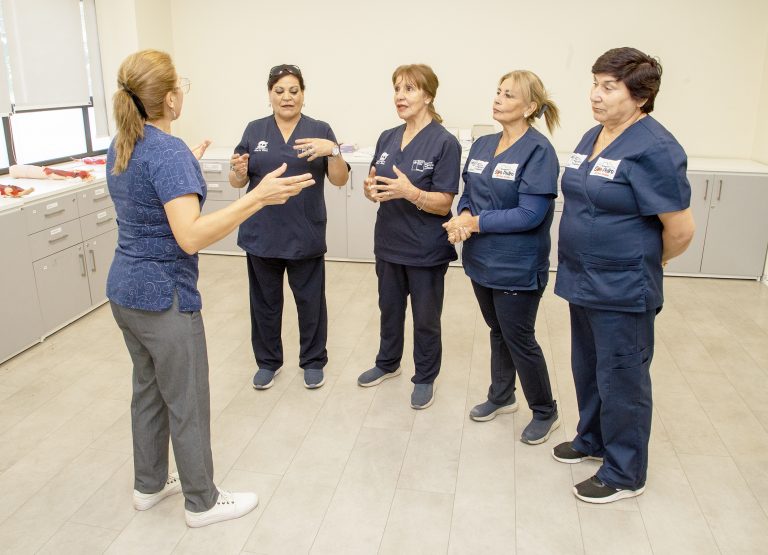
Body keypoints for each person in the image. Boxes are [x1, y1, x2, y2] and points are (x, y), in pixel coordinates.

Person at [107, 50, 314, 527]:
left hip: (125, 291)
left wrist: (185, 168)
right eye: (182, 84)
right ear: (170, 99)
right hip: (164, 299)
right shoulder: (166, 151)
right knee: (187, 399)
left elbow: (146, 198)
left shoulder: (125, 141)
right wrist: (258, 198)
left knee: (148, 391)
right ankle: (201, 500)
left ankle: (149, 483)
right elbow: (192, 235)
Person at [552, 47, 695, 503]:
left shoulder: (655, 148)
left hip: (622, 286)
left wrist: (647, 261)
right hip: (582, 278)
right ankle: (591, 439)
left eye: (608, 87)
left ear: (640, 96)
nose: (595, 95)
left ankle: (625, 472)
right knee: (588, 367)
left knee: (623, 378)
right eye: (594, 83)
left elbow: (680, 230)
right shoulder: (594, 135)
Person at [443, 70, 561, 444]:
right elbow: (468, 193)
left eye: (508, 95)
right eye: (497, 92)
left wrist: (475, 223)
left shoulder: (539, 152)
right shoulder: (481, 145)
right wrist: (463, 215)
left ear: (529, 107)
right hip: (481, 261)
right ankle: (502, 395)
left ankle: (545, 410)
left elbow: (531, 215)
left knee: (519, 336)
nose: (498, 99)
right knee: (499, 330)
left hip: (516, 264)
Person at [229, 64, 349, 391]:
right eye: (280, 90)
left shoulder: (320, 129)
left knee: (310, 303)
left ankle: (313, 361)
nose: (287, 97)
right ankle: (267, 362)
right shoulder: (254, 130)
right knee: (264, 304)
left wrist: (334, 151)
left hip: (305, 233)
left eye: (293, 90)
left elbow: (340, 179)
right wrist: (238, 170)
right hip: (261, 234)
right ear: (269, 95)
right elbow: (238, 179)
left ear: (303, 95)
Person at [356, 64, 461, 409]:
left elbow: (444, 201)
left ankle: (425, 377)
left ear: (428, 96)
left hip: (425, 247)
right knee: (388, 309)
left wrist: (411, 192)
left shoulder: (445, 143)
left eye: (410, 89)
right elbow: (375, 185)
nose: (400, 96)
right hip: (388, 242)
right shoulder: (388, 136)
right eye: (397, 88)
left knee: (426, 317)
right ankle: (387, 363)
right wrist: (371, 190)